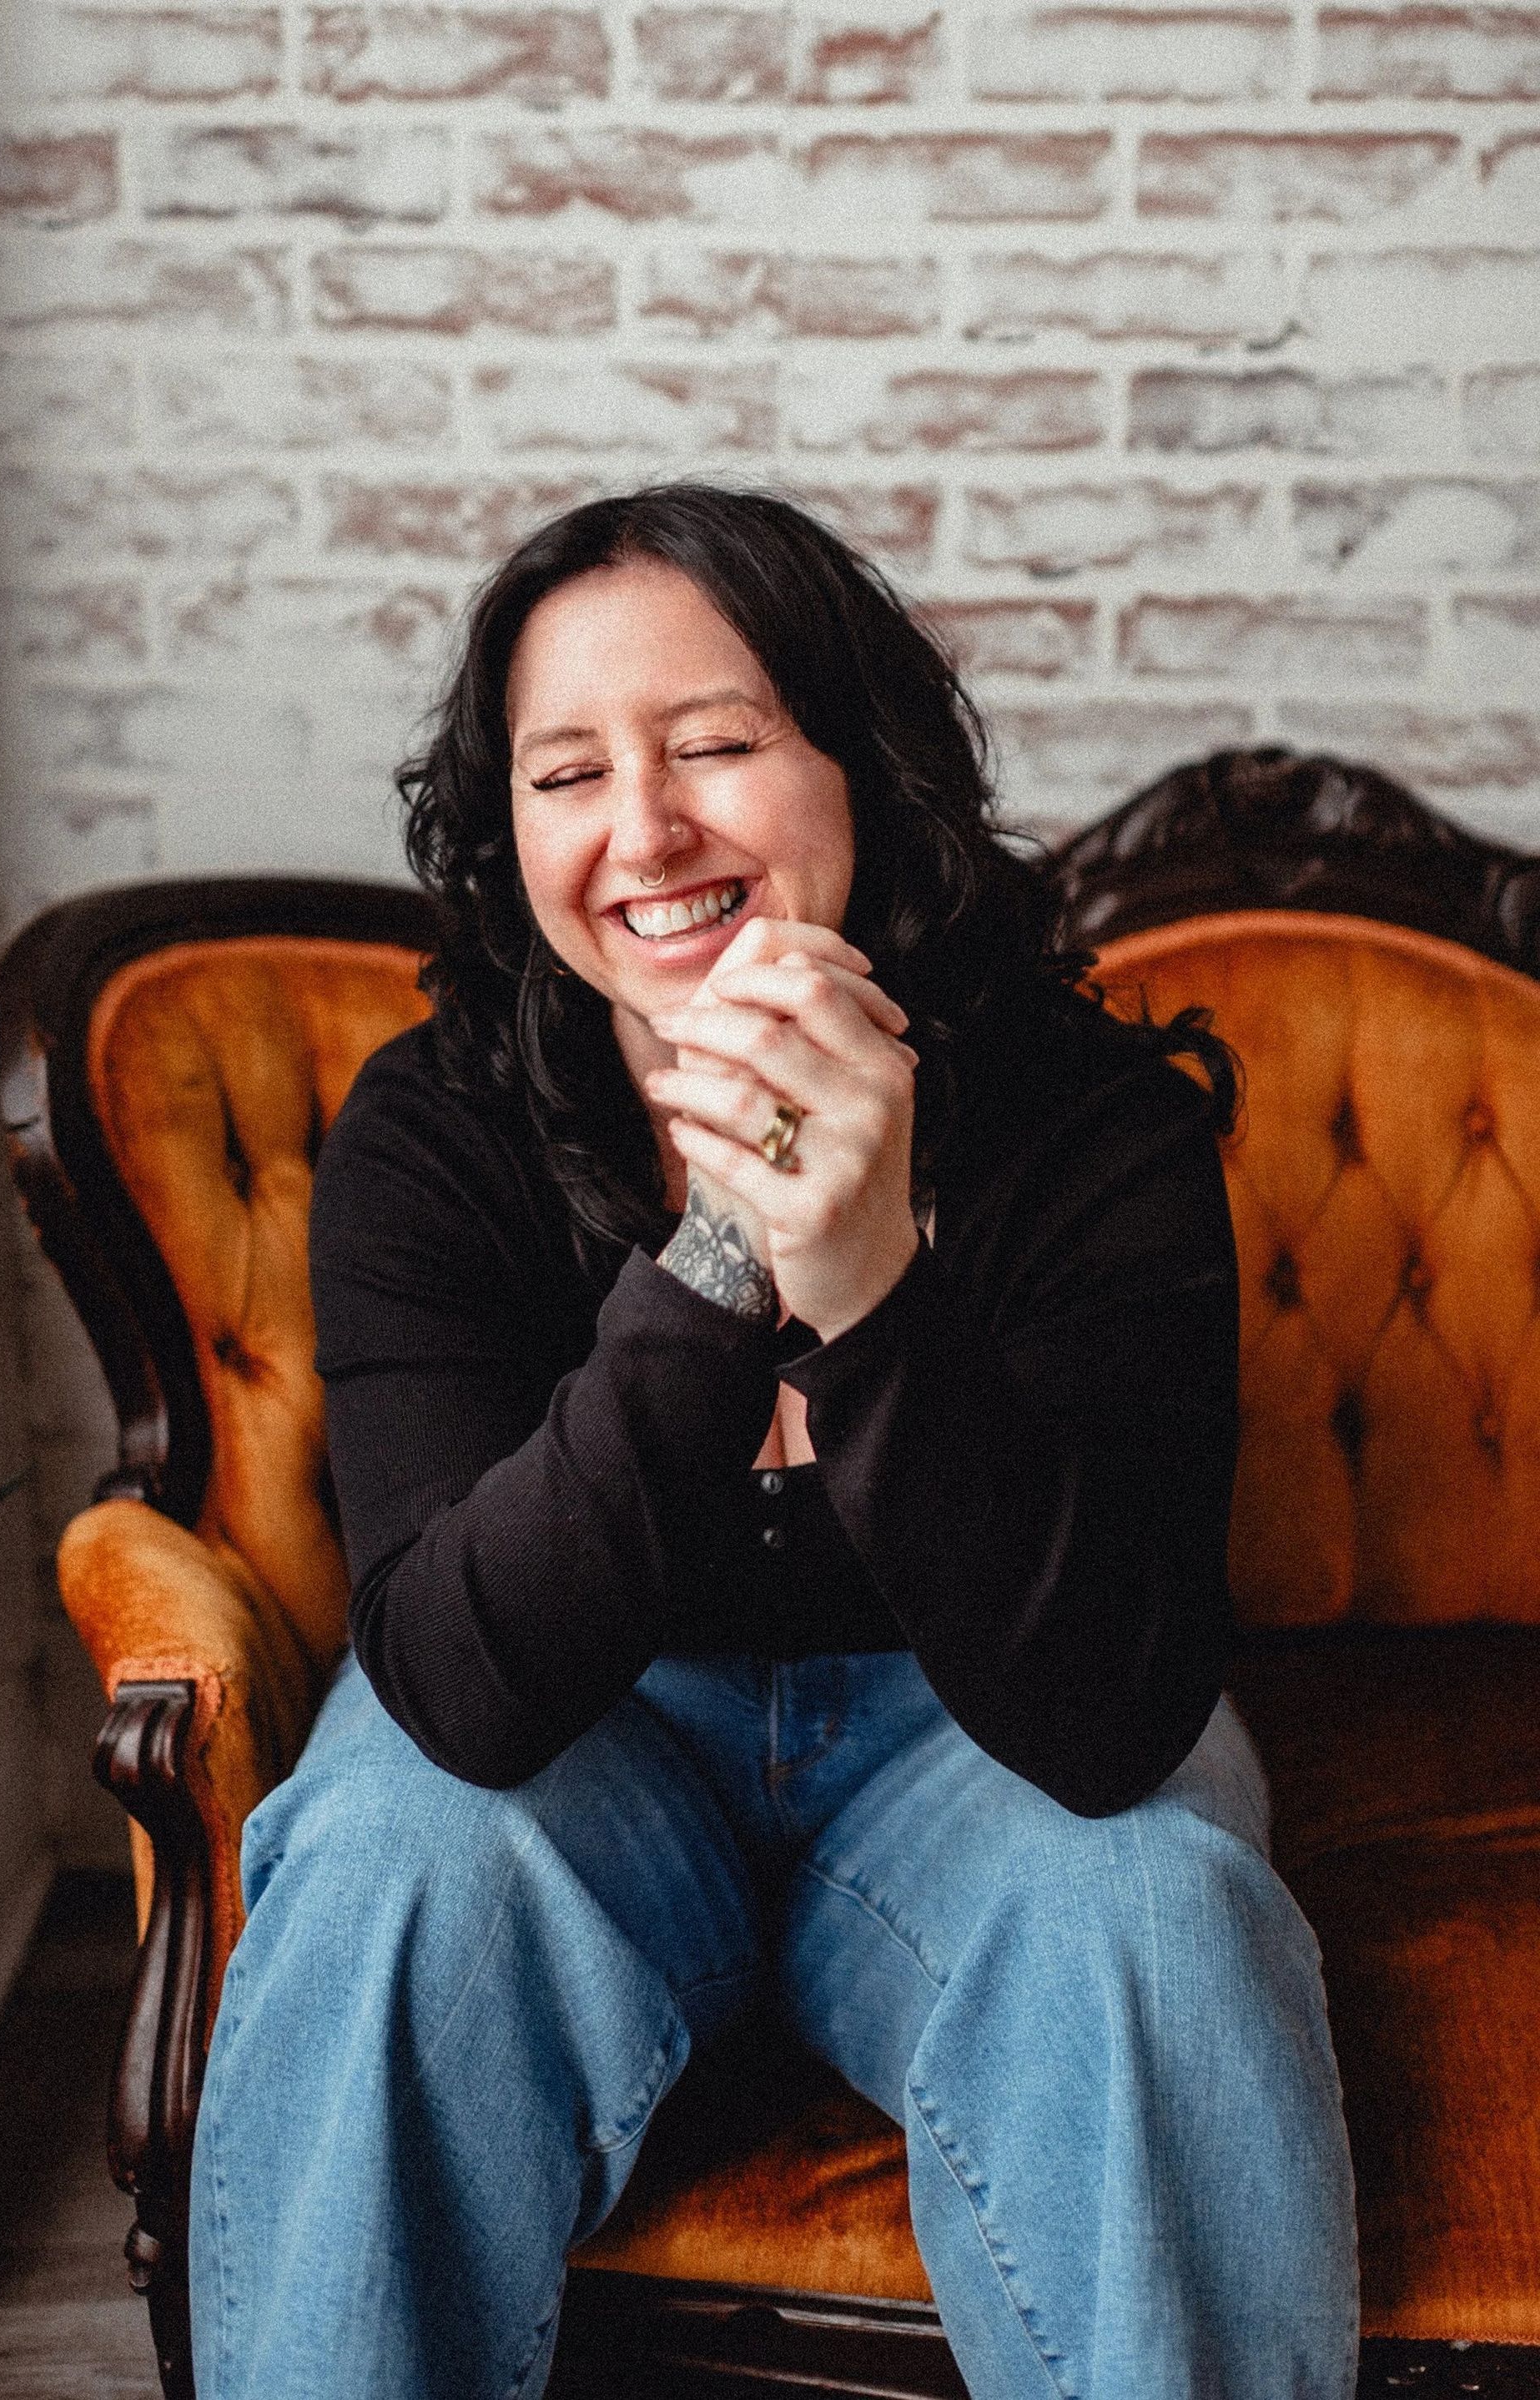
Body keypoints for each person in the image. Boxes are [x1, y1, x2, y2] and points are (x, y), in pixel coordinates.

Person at [189, 484, 1359, 2399]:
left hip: (969, 1745)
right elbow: (464, 1690)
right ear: (512, 829)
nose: (643, 830)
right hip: (596, 1735)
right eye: (566, 772)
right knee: (393, 1869)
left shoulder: (1088, 1123)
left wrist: (878, 1280)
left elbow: (1114, 1714)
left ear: (860, 766)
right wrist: (736, 1244)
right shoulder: (437, 1133)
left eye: (716, 746)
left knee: (1152, 1907)